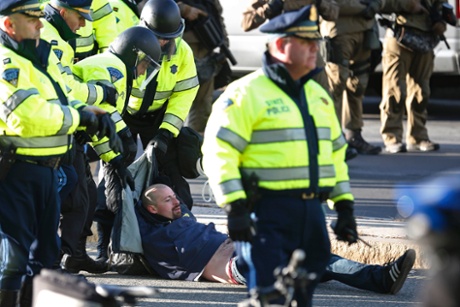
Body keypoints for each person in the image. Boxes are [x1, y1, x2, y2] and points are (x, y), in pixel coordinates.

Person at [202, 5, 359, 306]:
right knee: (269, 297)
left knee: (304, 295)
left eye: (316, 43)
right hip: (266, 213)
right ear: (279, 45)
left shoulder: (318, 95)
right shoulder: (245, 93)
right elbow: (219, 151)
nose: (316, 49)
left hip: (311, 213)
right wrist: (234, 206)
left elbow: (335, 155)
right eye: (306, 43)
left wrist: (344, 204)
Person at [0, 0, 117, 305]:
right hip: (16, 172)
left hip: (46, 172)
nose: (40, 24)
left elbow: (61, 97)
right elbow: (26, 114)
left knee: (44, 256)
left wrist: (93, 112)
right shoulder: (6, 62)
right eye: (32, 19)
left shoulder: (37, 56)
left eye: (40, 17)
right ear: (9, 25)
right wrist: (80, 118)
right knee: (13, 259)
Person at [136, 184, 416, 295]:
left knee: (311, 256)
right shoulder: (156, 239)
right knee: (312, 258)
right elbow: (127, 214)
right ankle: (380, 278)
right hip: (238, 265)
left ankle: (379, 277)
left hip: (247, 247)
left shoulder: (182, 219)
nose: (178, 202)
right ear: (151, 209)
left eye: (175, 196)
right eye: (168, 199)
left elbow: (173, 198)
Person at [40, 0, 122, 274]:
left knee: (81, 190)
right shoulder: (49, 39)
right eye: (81, 18)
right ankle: (54, 261)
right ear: (63, 13)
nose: (85, 25)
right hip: (46, 134)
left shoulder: (56, 37)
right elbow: (66, 90)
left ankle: (69, 257)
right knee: (68, 194)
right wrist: (101, 93)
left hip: (60, 129)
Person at [72, 26, 162, 264]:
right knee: (77, 201)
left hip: (74, 140)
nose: (143, 73)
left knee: (86, 198)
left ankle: (75, 255)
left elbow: (101, 126)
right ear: (134, 55)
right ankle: (68, 256)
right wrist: (123, 136)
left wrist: (114, 159)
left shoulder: (115, 67)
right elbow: (105, 110)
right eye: (144, 65)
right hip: (64, 140)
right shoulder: (112, 68)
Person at [240, 0, 359, 162]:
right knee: (281, 102)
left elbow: (333, 14)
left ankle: (334, 145)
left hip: (310, 52)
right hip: (282, 53)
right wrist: (269, 9)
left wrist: (321, 3)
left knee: (323, 100)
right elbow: (246, 23)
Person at [122, 0, 200, 209]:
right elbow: (112, 91)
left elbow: (184, 94)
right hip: (125, 115)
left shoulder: (183, 53)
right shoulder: (126, 44)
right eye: (157, 38)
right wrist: (118, 129)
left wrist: (165, 133)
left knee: (172, 179)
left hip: (158, 119)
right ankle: (107, 237)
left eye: (168, 39)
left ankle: (182, 226)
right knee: (116, 177)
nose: (162, 44)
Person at [379, 0, 447, 153]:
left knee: (421, 91)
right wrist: (408, 5)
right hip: (400, 35)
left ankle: (418, 137)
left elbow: (441, 5)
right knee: (395, 90)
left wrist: (442, 22)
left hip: (425, 38)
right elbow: (380, 4)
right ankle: (392, 137)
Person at [319, 0, 383, 155]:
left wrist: (376, 5)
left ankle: (354, 134)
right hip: (339, 32)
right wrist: (364, 8)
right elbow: (330, 5)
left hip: (364, 31)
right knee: (336, 84)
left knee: (358, 84)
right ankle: (334, 136)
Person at [177, 0, 231, 135]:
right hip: (180, 46)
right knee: (177, 100)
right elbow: (147, 6)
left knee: (203, 104)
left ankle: (195, 143)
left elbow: (216, 12)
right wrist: (184, 9)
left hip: (207, 45)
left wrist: (223, 41)